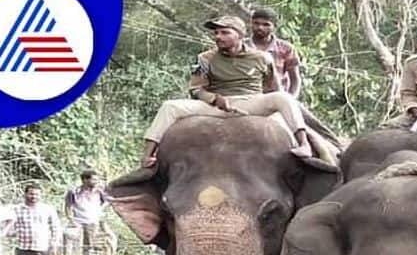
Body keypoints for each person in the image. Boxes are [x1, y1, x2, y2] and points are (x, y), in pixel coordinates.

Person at [140, 15, 338, 168]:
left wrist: (271, 105)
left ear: (239, 35)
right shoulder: (204, 58)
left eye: (225, 32)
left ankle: (304, 144)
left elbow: (273, 88)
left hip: (251, 102)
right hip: (217, 105)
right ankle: (147, 155)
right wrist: (214, 98)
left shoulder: (262, 58)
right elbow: (195, 89)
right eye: (216, 33)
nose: (218, 37)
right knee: (170, 106)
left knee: (284, 98)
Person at [244, 7, 342, 148]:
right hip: (249, 96)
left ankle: (335, 147)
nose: (260, 27)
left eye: (266, 24)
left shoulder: (285, 48)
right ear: (251, 24)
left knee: (310, 123)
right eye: (256, 23)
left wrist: (291, 98)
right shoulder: (242, 46)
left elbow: (295, 78)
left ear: (274, 26)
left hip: (278, 95)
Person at [64, 170, 108, 255]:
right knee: (68, 237)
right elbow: (67, 206)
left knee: (89, 244)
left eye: (97, 179)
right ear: (85, 180)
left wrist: (99, 210)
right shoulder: (74, 191)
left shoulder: (99, 191)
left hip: (92, 220)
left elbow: (106, 202)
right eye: (93, 179)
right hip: (77, 219)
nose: (96, 181)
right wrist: (70, 218)